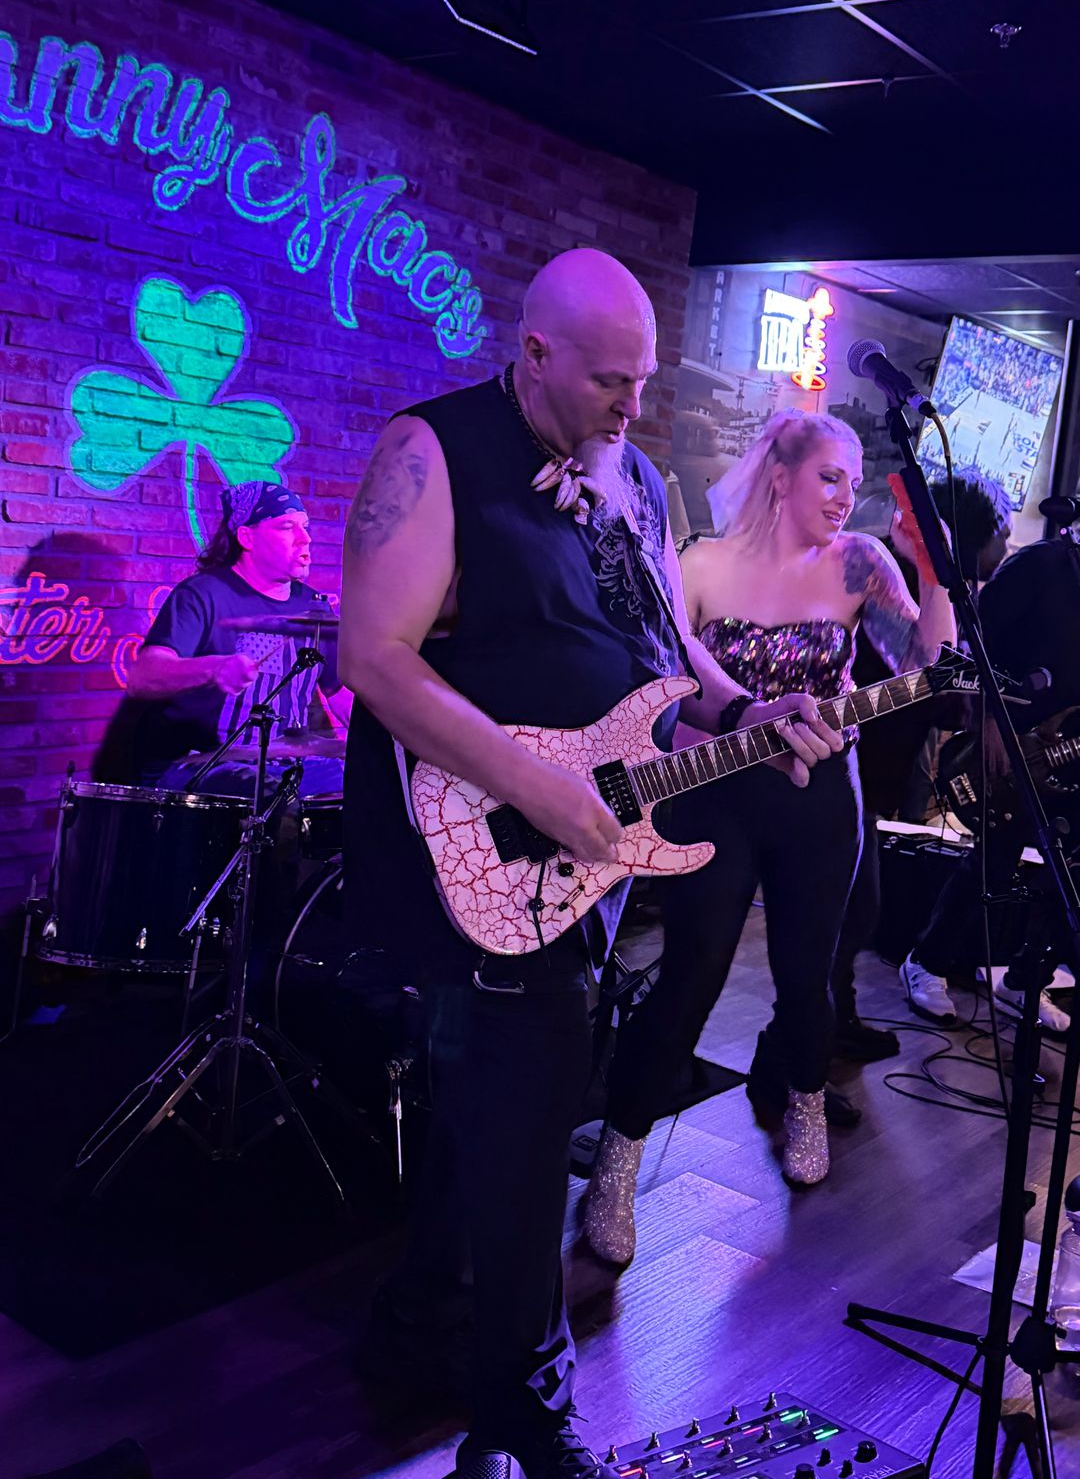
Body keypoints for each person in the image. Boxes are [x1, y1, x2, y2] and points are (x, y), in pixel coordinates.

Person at [337, 250, 842, 1479]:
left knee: (496, 1104)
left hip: (586, 856)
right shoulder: (435, 449)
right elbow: (374, 655)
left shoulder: (641, 481)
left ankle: (418, 1324)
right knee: (528, 1110)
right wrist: (536, 787)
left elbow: (669, 652)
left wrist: (742, 713)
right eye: (611, 380)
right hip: (481, 838)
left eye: (644, 379)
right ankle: (525, 1417)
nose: (632, 403)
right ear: (535, 352)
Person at [582, 409, 955, 1269]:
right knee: (691, 975)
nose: (845, 495)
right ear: (780, 476)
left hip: (820, 795)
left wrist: (934, 569)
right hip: (712, 791)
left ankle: (805, 1098)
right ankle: (618, 1155)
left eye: (854, 481)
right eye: (830, 475)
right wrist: (746, 712)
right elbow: (673, 664)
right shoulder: (702, 562)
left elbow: (926, 666)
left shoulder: (862, 563)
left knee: (809, 971)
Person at [899, 483, 1080, 1030]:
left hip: (1073, 756)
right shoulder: (1037, 568)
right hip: (1014, 746)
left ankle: (1024, 981)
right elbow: (976, 646)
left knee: (1079, 873)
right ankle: (926, 961)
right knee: (993, 860)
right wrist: (988, 719)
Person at [832, 466, 1012, 1059]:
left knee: (856, 908)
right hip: (844, 763)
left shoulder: (952, 591)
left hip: (873, 769)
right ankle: (813, 1039)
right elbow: (922, 679)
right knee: (848, 909)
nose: (1006, 549)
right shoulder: (887, 571)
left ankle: (834, 1019)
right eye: (1000, 536)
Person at [94, 482, 348, 796]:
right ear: (247, 537)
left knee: (367, 788)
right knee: (267, 797)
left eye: (305, 527)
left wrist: (391, 735)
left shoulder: (313, 608)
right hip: (199, 765)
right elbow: (143, 677)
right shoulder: (202, 594)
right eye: (286, 527)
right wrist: (215, 668)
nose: (305, 538)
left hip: (283, 764)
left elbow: (340, 694)